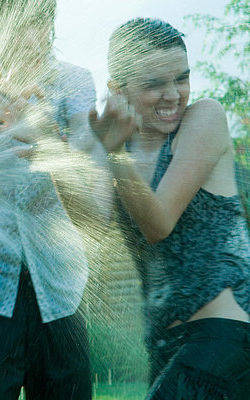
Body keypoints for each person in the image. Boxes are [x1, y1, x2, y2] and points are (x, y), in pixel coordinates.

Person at [0, 0, 101, 398]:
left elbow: (88, 163)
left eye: (40, 22)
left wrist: (43, 131)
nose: (33, 35)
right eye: (21, 23)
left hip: (60, 281)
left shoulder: (73, 80)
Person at [89, 17, 250, 399]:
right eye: (154, 84)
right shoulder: (119, 149)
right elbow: (92, 220)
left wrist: (112, 154)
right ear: (118, 89)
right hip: (165, 348)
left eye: (181, 78)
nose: (174, 94)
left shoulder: (204, 119)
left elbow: (158, 224)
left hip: (221, 337)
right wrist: (40, 146)